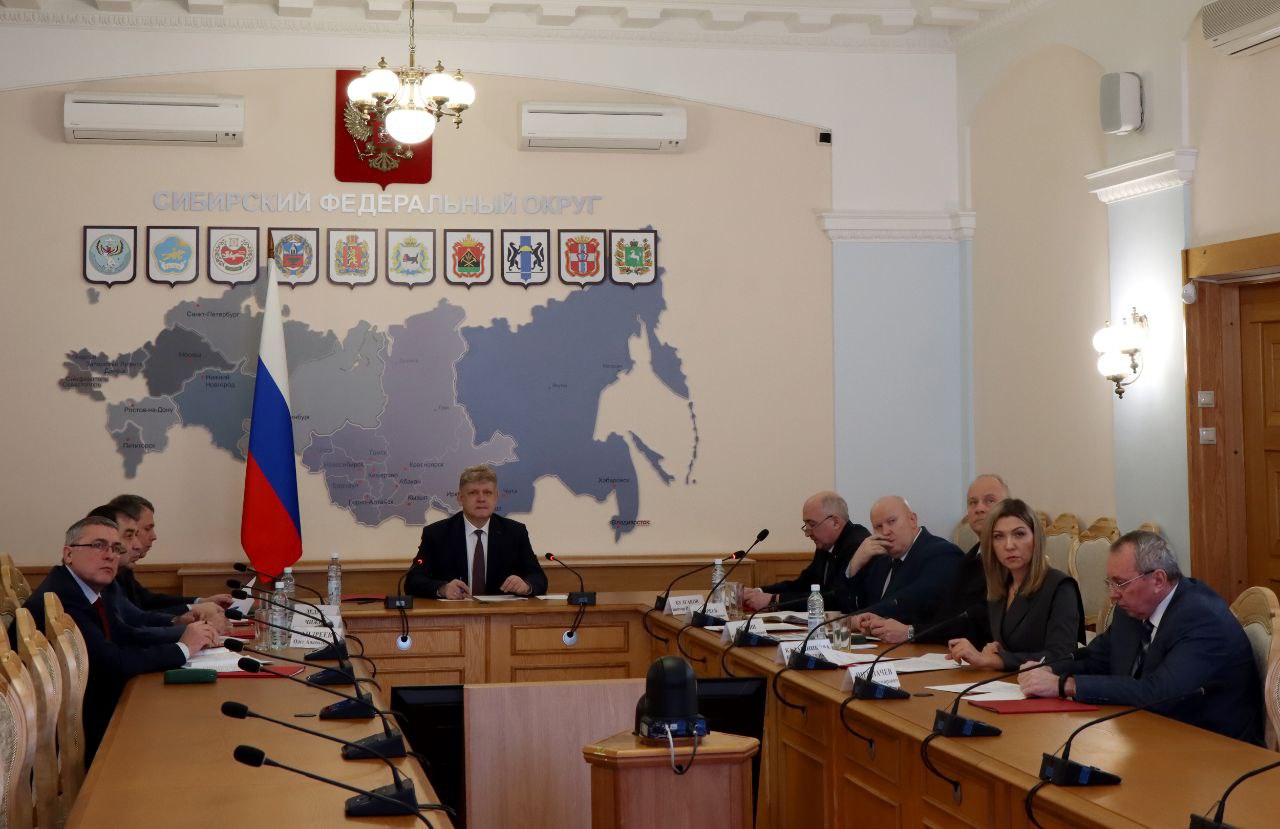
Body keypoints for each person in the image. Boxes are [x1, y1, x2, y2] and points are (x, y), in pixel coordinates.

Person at [1019, 530, 1263, 745]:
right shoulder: (1134, 609)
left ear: (1158, 579)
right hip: (1153, 733)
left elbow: (1159, 693)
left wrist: (1065, 685)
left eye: (1120, 583)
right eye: (1110, 583)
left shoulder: (1202, 618)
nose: (1113, 595)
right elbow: (1097, 657)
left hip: (1216, 749)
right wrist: (1049, 670)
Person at [23, 516, 221, 764]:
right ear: (68, 554)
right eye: (98, 545)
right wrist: (183, 648)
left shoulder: (90, 590)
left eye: (116, 548)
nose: (110, 555)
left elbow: (127, 634)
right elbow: (112, 663)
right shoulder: (63, 598)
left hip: (86, 710)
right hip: (67, 735)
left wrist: (186, 637)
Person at [858, 475, 1008, 644]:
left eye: (990, 500)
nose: (979, 508)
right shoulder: (969, 560)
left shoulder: (1008, 561)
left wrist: (910, 632)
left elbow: (978, 622)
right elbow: (945, 617)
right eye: (973, 502)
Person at [946, 498, 1084, 670]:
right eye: (998, 536)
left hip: (1044, 683)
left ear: (1036, 538)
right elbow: (1009, 645)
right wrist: (993, 649)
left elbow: (1061, 656)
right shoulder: (1000, 587)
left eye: (1019, 534)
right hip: (1005, 681)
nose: (1009, 545)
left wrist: (995, 660)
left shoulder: (1060, 587)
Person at [404, 465, 548, 599]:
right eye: (473, 493)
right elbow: (413, 581)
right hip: (455, 614)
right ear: (460, 498)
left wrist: (526, 586)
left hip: (500, 614)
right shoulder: (436, 534)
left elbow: (538, 578)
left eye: (487, 493)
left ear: (496, 497)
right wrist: (443, 588)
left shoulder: (515, 532)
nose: (481, 499)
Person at [843, 495, 963, 634]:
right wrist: (855, 564)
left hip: (924, 643)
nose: (885, 532)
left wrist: (852, 620)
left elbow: (910, 601)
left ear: (912, 520)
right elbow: (854, 604)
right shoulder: (881, 560)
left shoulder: (942, 553)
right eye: (878, 527)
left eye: (892, 521)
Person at [741, 491, 869, 612]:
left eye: (812, 524)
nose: (807, 533)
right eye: (806, 525)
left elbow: (836, 599)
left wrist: (774, 600)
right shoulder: (824, 545)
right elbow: (803, 584)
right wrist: (758, 592)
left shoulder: (858, 545)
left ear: (835, 522)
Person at [106, 493, 234, 612]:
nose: (154, 536)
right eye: (147, 529)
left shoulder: (124, 569)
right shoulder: (106, 574)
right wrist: (195, 609)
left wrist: (201, 602)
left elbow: (148, 601)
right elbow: (137, 618)